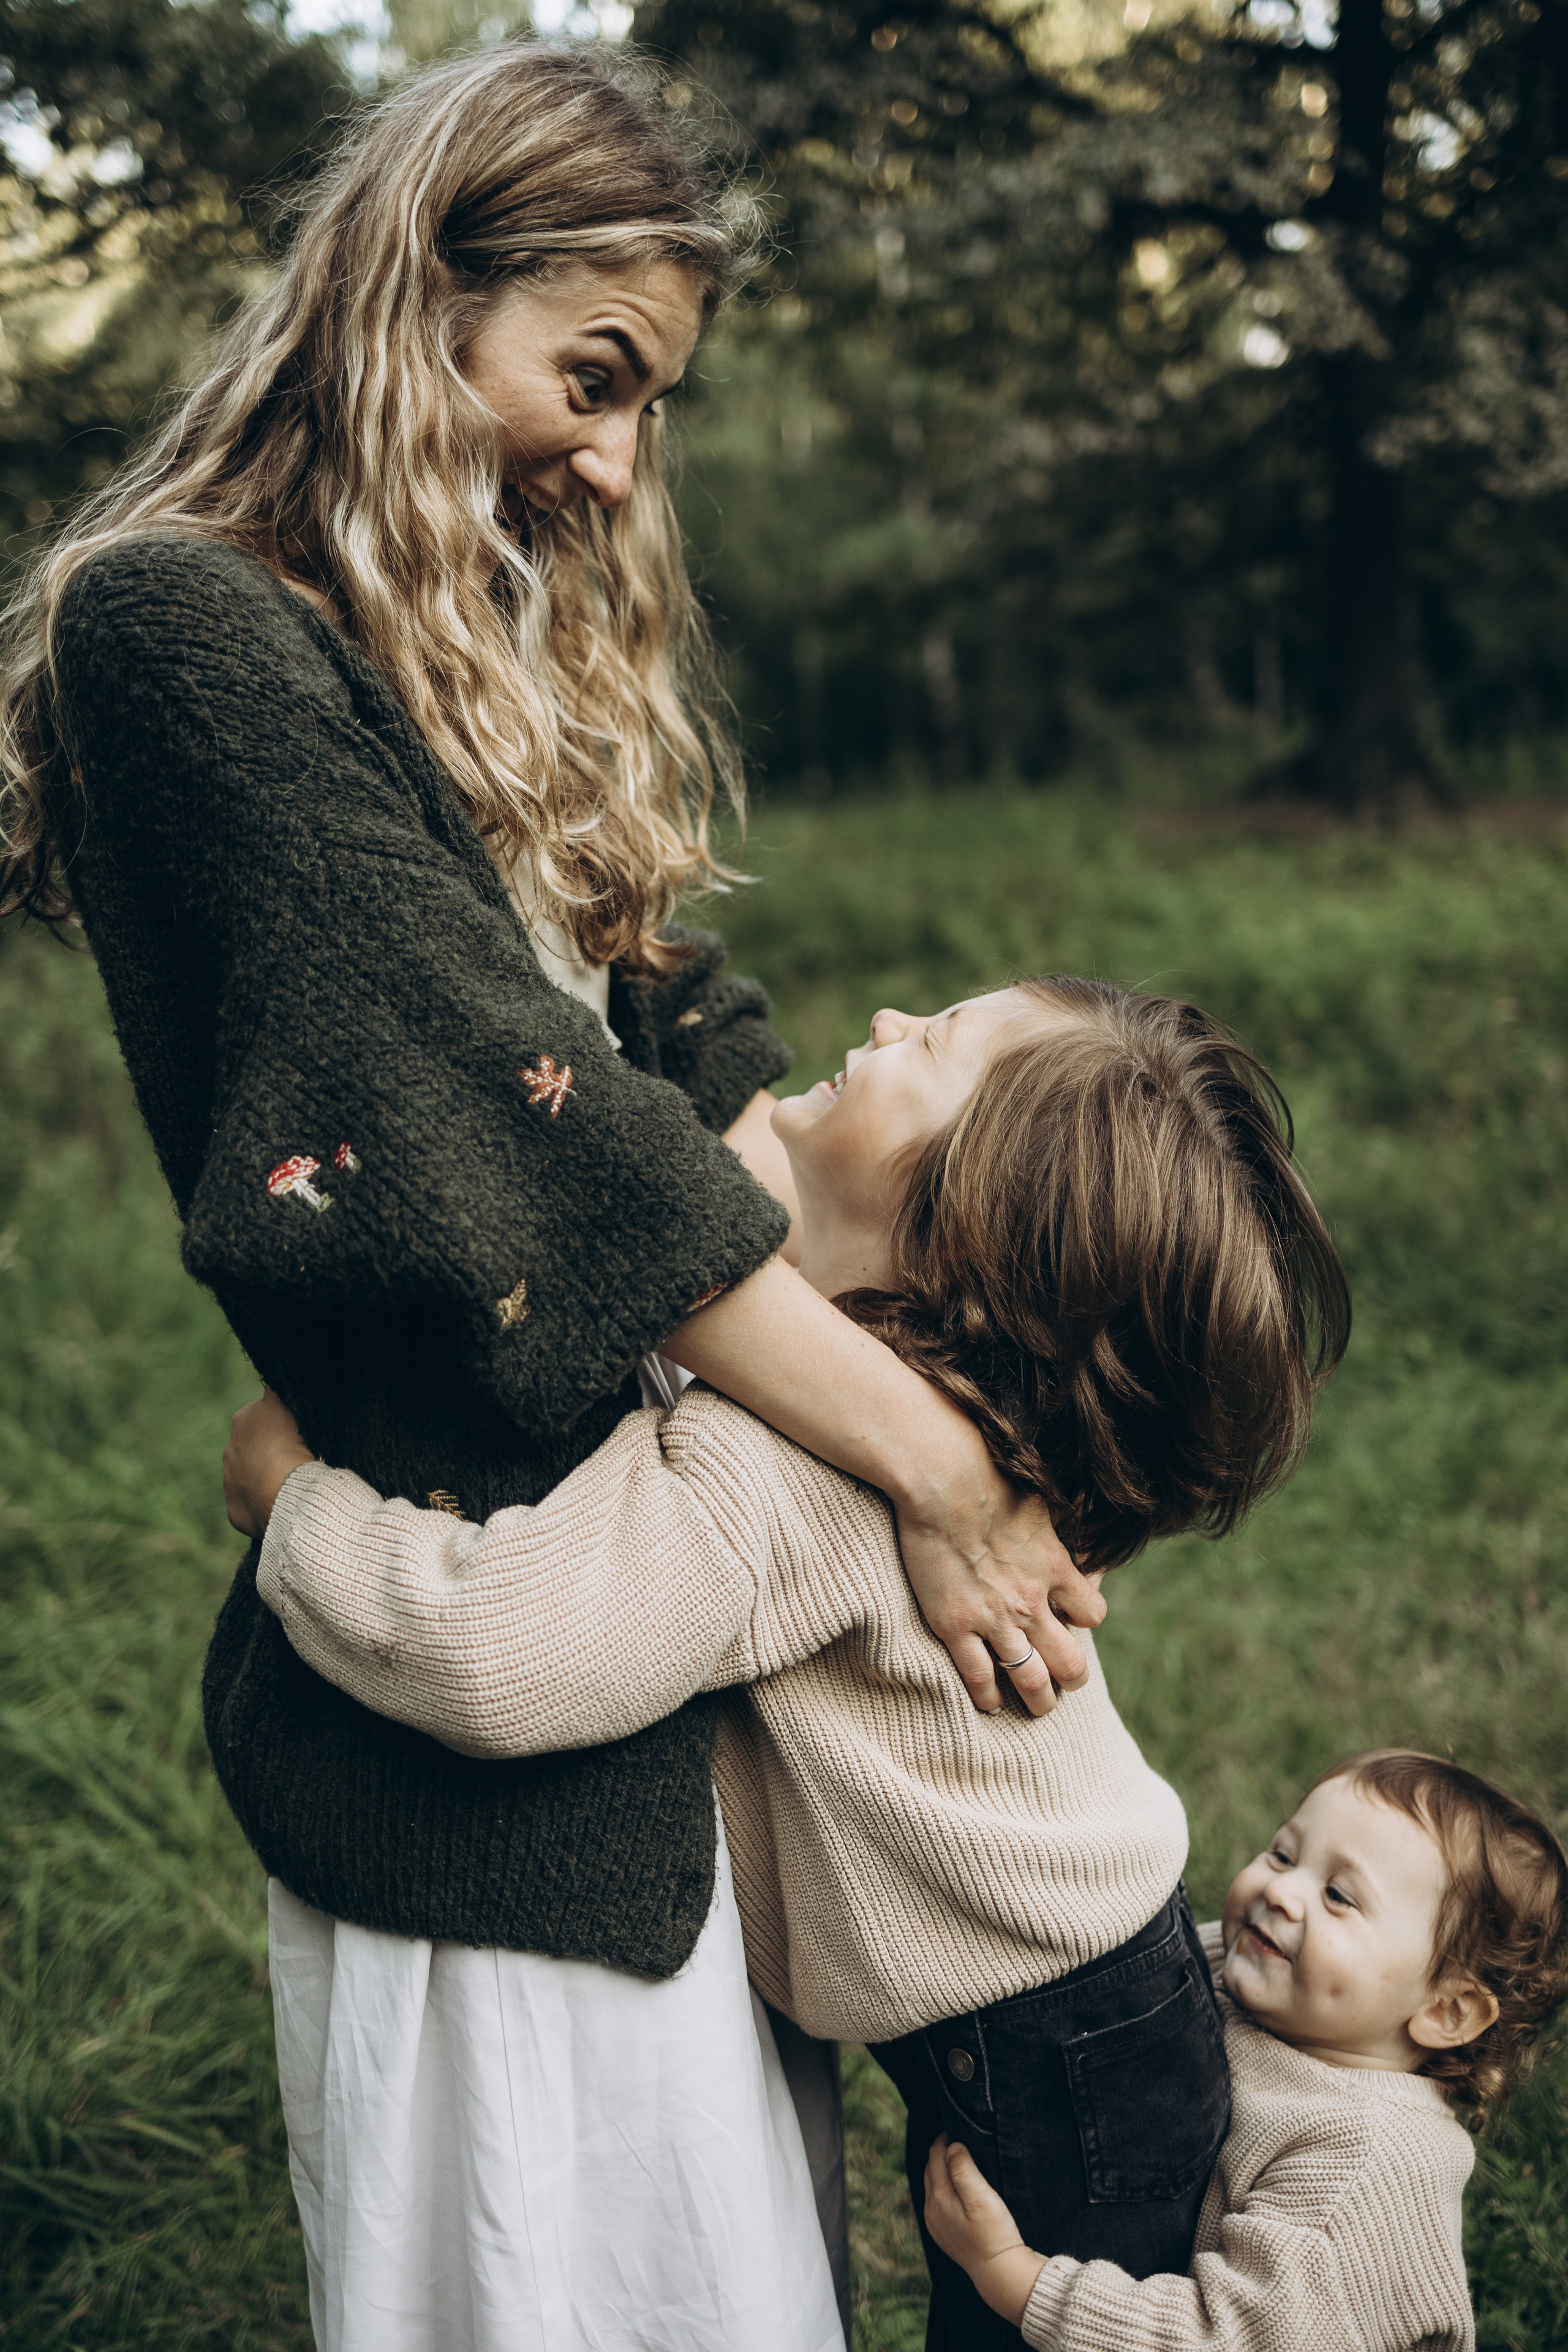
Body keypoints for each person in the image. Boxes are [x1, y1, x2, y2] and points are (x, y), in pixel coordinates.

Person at [0, 44, 1103, 2352]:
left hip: (660, 1611)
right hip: (469, 1669)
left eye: (641, 406)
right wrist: (924, 1454)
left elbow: (658, 1026)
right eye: (587, 375)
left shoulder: (461, 634)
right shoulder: (177, 626)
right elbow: (500, 1100)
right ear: (419, 289)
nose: (608, 458)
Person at [224, 973, 1352, 2350]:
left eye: (928, 1046)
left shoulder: (789, 1468)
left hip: (1064, 2055)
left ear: (972, 1242)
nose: (881, 1023)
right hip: (1080, 2015)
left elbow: (497, 1653)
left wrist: (295, 1506)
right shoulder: (892, 1411)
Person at [924, 1750, 1568, 2352]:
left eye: (1339, 1896)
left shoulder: (1365, 2164)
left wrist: (1011, 2275)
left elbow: (1223, 2337)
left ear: (1443, 2010)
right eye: (1283, 1855)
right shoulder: (1254, 1979)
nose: (1281, 1892)